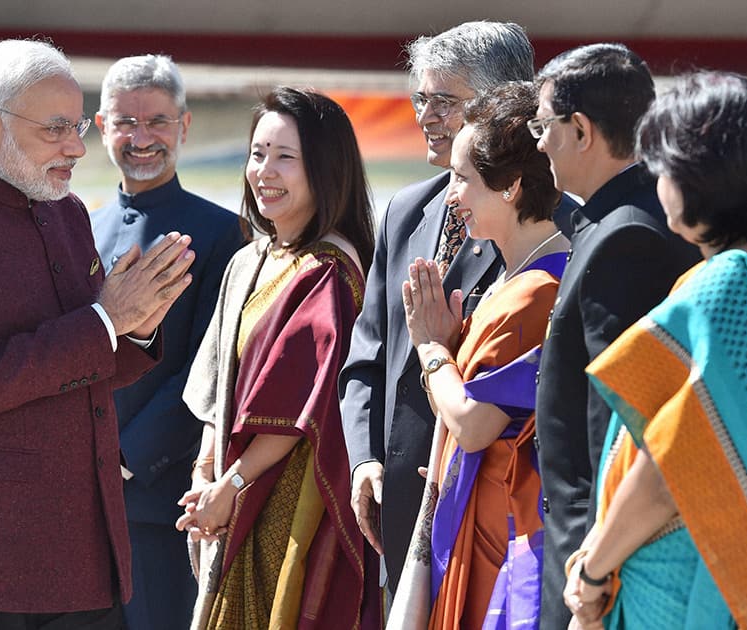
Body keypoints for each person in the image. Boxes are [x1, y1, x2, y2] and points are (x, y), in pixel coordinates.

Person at [0, 40, 196, 630]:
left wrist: (137, 330)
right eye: (55, 130)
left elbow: (87, 361)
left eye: (76, 127)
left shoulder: (65, 211)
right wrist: (106, 322)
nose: (77, 146)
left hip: (76, 553)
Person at [564, 71, 747, 630]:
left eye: (664, 168)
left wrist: (594, 568)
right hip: (709, 558)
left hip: (680, 576)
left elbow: (675, 467)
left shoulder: (734, 285)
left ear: (704, 172)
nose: (657, 185)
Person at [338, 22, 546, 597]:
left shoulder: (542, 232)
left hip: (487, 511)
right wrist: (363, 461)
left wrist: (439, 346)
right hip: (397, 507)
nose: (425, 116)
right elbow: (367, 355)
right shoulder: (406, 210)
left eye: (445, 101)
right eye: (420, 98)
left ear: (501, 108)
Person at [177, 87, 381, 629]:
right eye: (257, 153)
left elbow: (297, 412)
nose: (264, 171)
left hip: (289, 504)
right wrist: (204, 478)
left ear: (324, 168)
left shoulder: (331, 271)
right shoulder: (248, 260)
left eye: (285, 157)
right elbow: (217, 388)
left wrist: (230, 487)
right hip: (228, 490)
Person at [529, 43, 702, 628]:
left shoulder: (622, 236)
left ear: (579, 130)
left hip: (596, 551)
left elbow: (620, 429)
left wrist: (595, 574)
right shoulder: (635, 216)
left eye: (541, 124)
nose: (538, 141)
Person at [388, 82, 568, 629]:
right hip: (484, 518)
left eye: (463, 178)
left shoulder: (534, 291)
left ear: (511, 187)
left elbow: (472, 423)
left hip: (503, 534)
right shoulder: (516, 278)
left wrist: (430, 348)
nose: (451, 195)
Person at [89, 54, 245, 630]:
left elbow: (212, 369)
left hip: (158, 502)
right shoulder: (78, 225)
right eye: (126, 123)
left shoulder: (222, 233)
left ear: (184, 126)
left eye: (156, 122)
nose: (142, 138)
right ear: (102, 127)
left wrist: (126, 460)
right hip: (74, 502)